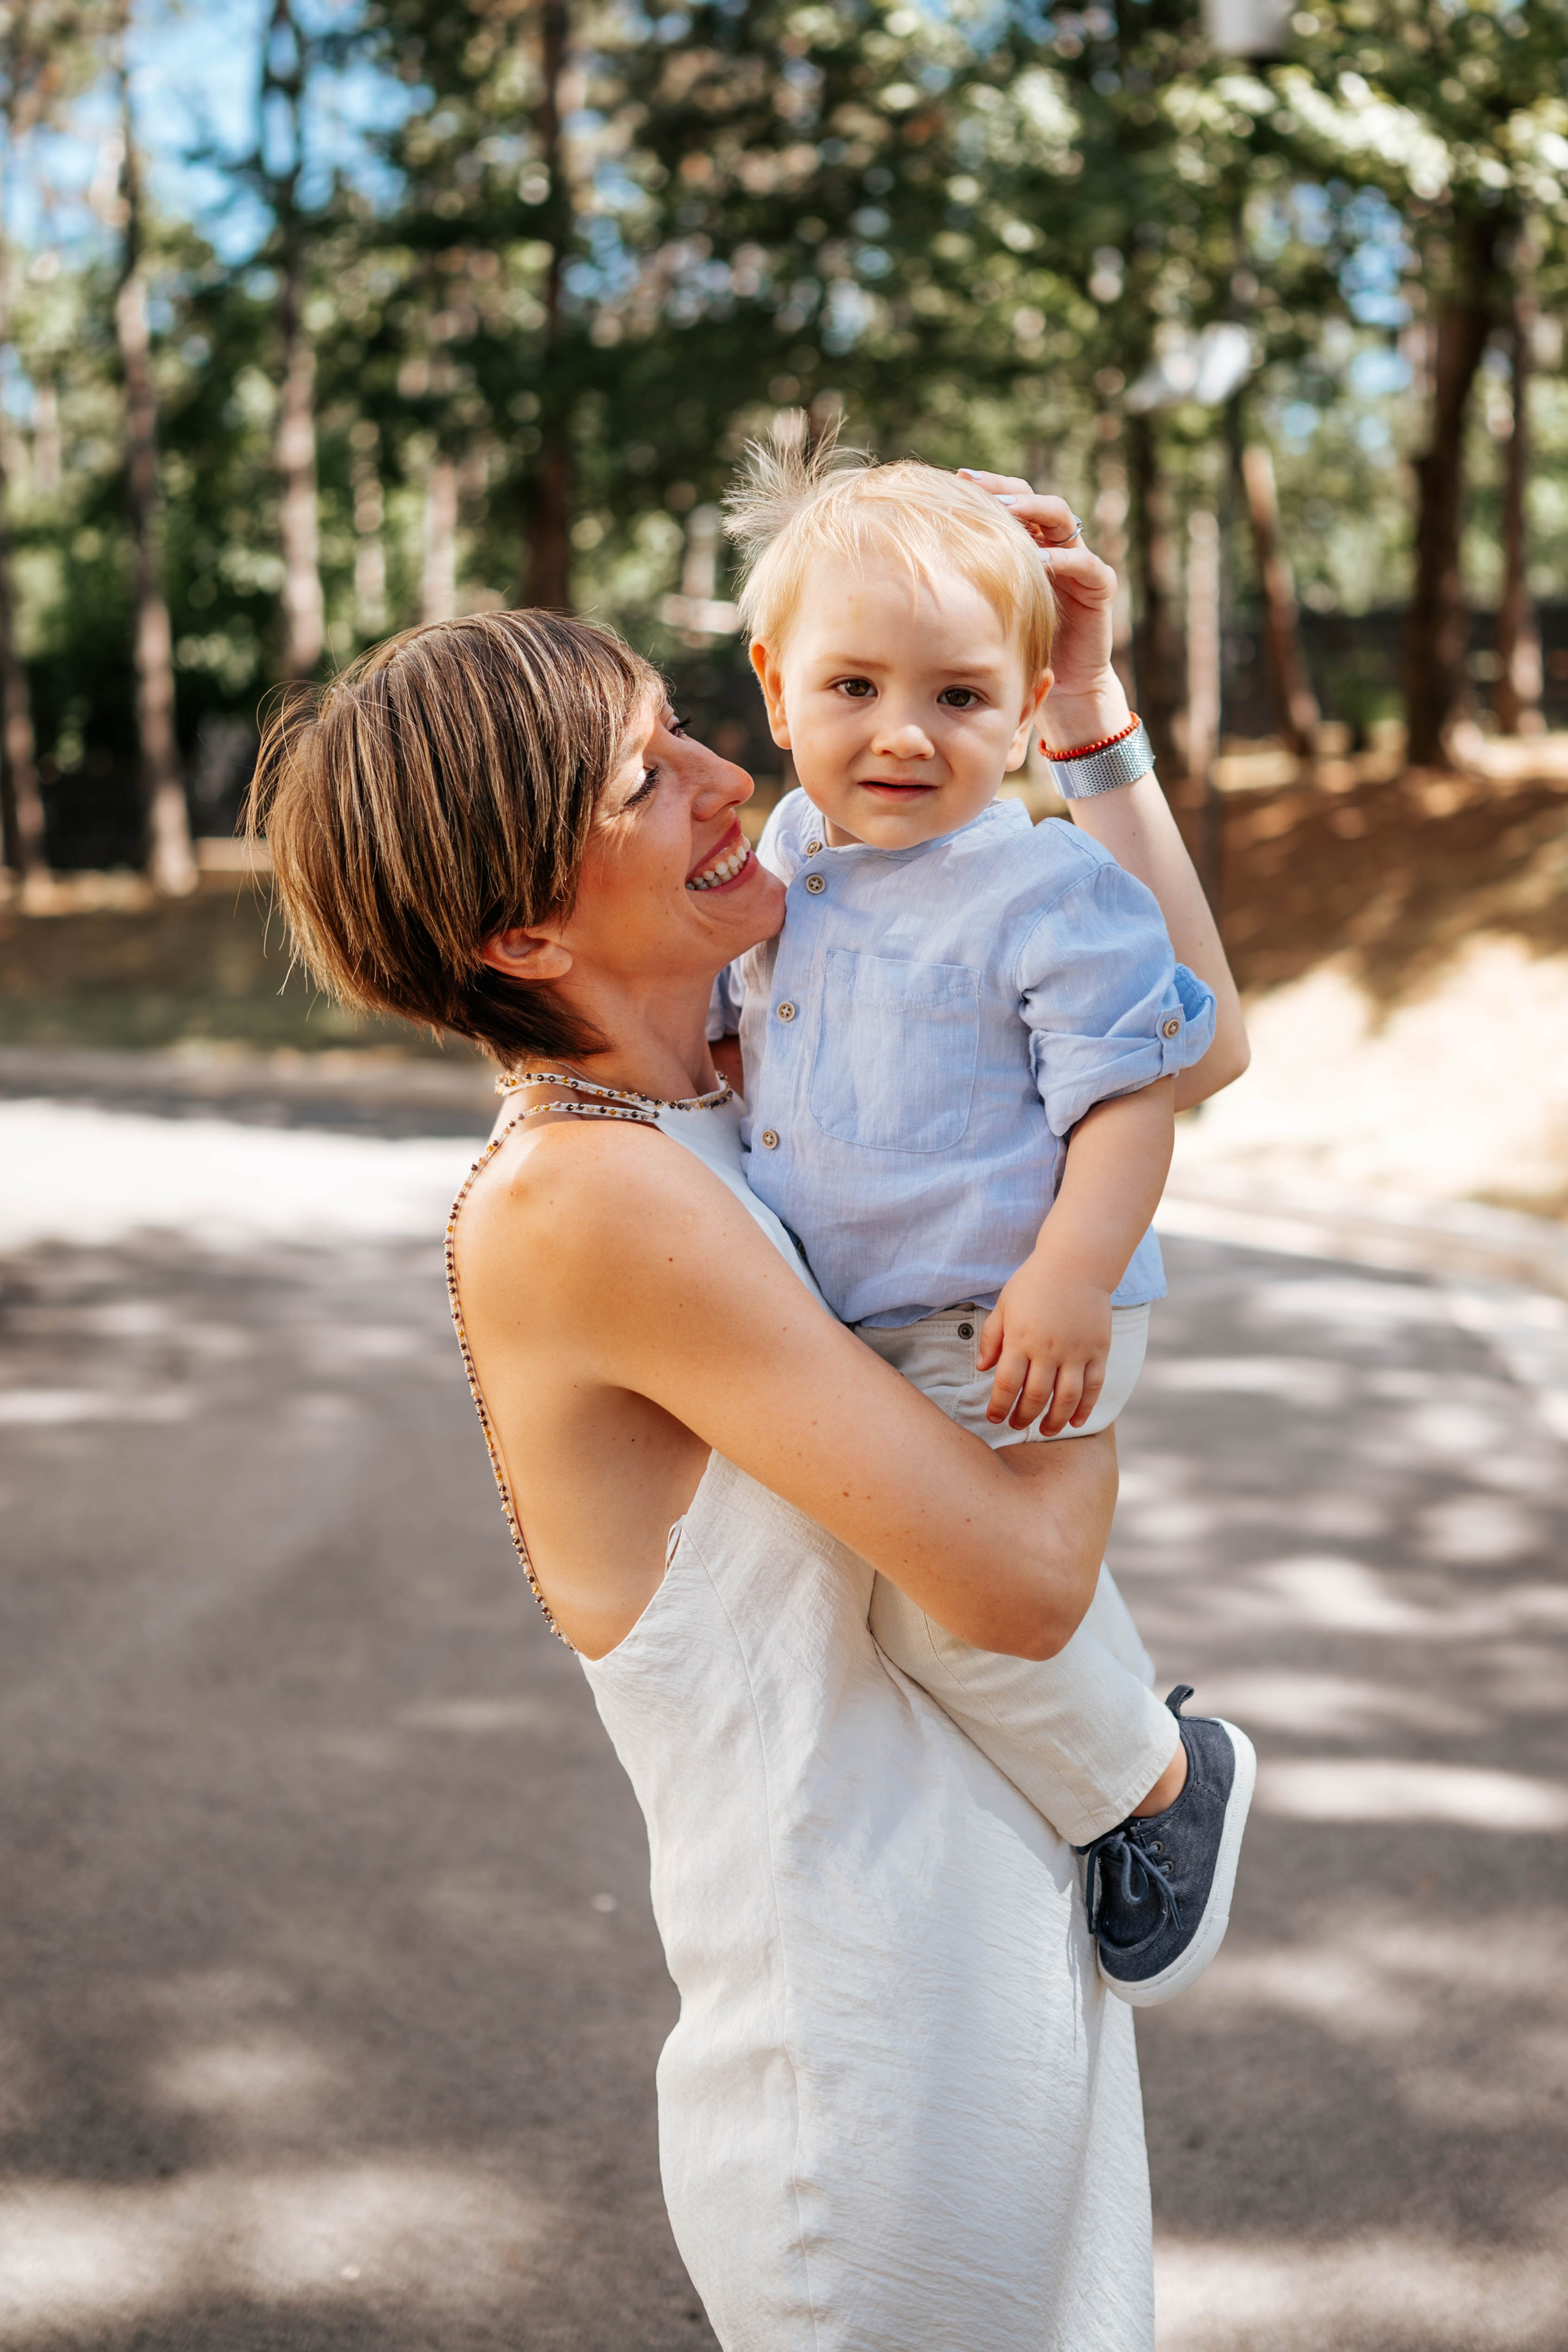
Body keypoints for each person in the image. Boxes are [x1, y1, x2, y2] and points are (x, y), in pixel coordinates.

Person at [249, 594, 1180, 2351]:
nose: (723, 773)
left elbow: (1177, 1039)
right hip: (865, 2055)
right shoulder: (580, 1198)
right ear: (525, 929)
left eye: (683, 725)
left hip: (999, 1954)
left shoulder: (751, 1096)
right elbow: (1023, 1582)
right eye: (641, 779)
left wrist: (1088, 722)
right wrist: (1079, 1285)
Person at [710, 429, 1255, 2005]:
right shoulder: (792, 859)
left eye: (957, 698)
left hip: (1012, 1304)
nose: (900, 736)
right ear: (772, 683)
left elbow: (1141, 1088)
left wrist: (1072, 1281)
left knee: (949, 1612)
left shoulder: (1042, 888)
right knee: (896, 1587)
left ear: (1023, 713)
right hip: (894, 1316)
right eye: (853, 688)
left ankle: (1150, 1789)